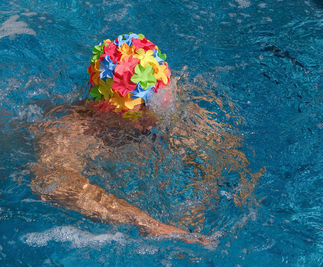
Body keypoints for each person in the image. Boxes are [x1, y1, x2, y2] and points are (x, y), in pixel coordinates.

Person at [31, 33, 262, 246]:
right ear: (105, 107)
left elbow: (223, 150)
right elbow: (53, 184)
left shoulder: (170, 112)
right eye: (143, 108)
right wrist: (146, 223)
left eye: (160, 100)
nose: (155, 116)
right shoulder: (71, 131)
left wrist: (205, 202)